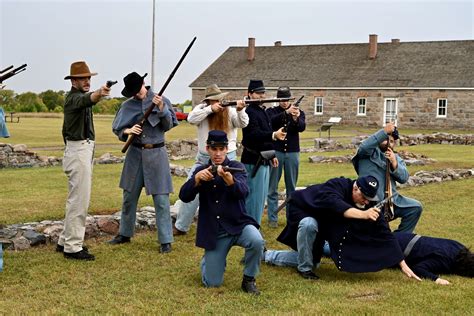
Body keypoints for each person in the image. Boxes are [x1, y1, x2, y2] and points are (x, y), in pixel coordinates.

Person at [264, 175, 421, 281]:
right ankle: (285, 262)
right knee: (309, 227)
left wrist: (402, 264)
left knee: (322, 256)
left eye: (369, 200)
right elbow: (336, 205)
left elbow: (385, 233)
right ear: (355, 188)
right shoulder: (336, 185)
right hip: (303, 210)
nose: (366, 202)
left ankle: (310, 256)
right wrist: (364, 214)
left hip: (326, 222)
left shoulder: (368, 202)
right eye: (364, 198)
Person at [179, 130, 264, 295]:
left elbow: (243, 192)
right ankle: (209, 261)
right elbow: (184, 196)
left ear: (227, 149)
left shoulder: (237, 167)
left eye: (221, 149)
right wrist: (196, 180)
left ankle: (249, 279)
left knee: (257, 241)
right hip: (215, 231)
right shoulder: (200, 169)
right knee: (212, 283)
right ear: (207, 149)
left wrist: (230, 181)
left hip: (238, 224)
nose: (217, 153)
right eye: (213, 149)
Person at [108, 72, 177, 253]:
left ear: (143, 83)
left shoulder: (162, 100)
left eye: (137, 90)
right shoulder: (127, 105)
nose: (136, 94)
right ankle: (124, 233)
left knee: (161, 200)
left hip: (157, 154)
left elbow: (168, 125)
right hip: (135, 155)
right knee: (129, 198)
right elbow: (118, 129)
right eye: (132, 92)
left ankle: (165, 240)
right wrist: (129, 130)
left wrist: (161, 107)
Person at [173, 84, 248, 235]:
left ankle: (232, 224)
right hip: (203, 159)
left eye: (218, 100)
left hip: (229, 158)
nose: (217, 103)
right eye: (213, 101)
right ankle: (181, 226)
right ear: (207, 101)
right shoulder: (202, 110)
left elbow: (243, 123)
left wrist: (241, 110)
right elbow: (191, 119)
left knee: (232, 191)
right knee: (192, 187)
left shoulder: (231, 111)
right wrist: (209, 110)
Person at [57, 61, 110, 261]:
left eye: (88, 78)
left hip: (82, 148)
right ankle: (72, 247)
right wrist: (99, 93)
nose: (86, 81)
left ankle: (65, 240)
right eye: (82, 78)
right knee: (79, 201)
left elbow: (88, 99)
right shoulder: (73, 99)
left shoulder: (78, 97)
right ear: (73, 81)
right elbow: (88, 99)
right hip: (78, 149)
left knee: (76, 199)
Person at [352, 122, 423, 232]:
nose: (388, 143)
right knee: (376, 233)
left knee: (415, 207)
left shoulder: (396, 158)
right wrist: (385, 131)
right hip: (370, 201)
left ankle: (401, 238)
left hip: (392, 200)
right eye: (385, 139)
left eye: (391, 141)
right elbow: (364, 146)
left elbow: (404, 178)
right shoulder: (368, 153)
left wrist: (394, 163)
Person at [241, 79, 286, 224]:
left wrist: (271, 154)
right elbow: (253, 135)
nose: (262, 95)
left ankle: (255, 226)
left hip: (264, 159)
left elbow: (264, 136)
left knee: (260, 198)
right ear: (250, 94)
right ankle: (251, 228)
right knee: (253, 198)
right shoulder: (249, 112)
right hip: (253, 161)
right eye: (258, 93)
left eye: (263, 93)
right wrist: (273, 135)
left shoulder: (262, 111)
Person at [265, 86, 306, 228]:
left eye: (286, 99)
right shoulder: (271, 112)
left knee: (291, 188)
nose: (284, 102)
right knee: (272, 187)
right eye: (281, 99)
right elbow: (271, 122)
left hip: (293, 152)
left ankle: (291, 218)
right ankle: (272, 218)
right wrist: (286, 113)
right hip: (276, 151)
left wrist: (295, 118)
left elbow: (302, 127)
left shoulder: (298, 112)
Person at [394, 232, 473, 285]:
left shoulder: (459, 247)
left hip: (401, 236)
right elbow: (418, 268)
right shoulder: (445, 261)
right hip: (392, 247)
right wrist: (436, 279)